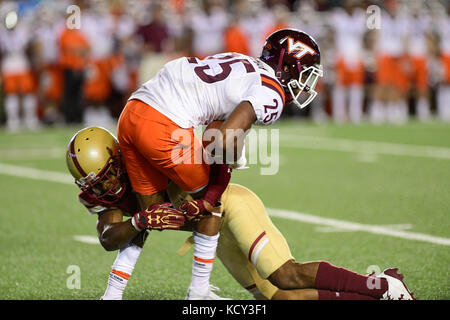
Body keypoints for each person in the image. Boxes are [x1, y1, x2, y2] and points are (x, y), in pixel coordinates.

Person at [66, 126, 416, 300]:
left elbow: (205, 180)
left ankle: (386, 287)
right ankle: (378, 289)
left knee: (286, 276)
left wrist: (197, 286)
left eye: (107, 175)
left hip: (227, 208)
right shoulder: (103, 195)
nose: (102, 187)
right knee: (281, 299)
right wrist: (141, 221)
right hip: (210, 233)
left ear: (118, 160)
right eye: (93, 182)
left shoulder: (146, 161)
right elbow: (110, 238)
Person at [116, 28, 323, 299]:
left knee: (152, 214)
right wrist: (216, 188)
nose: (306, 82)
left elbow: (216, 129)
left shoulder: (241, 60)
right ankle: (199, 291)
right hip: (164, 125)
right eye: (305, 73)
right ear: (288, 67)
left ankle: (112, 294)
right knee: (214, 207)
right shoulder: (270, 91)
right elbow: (224, 139)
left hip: (132, 112)